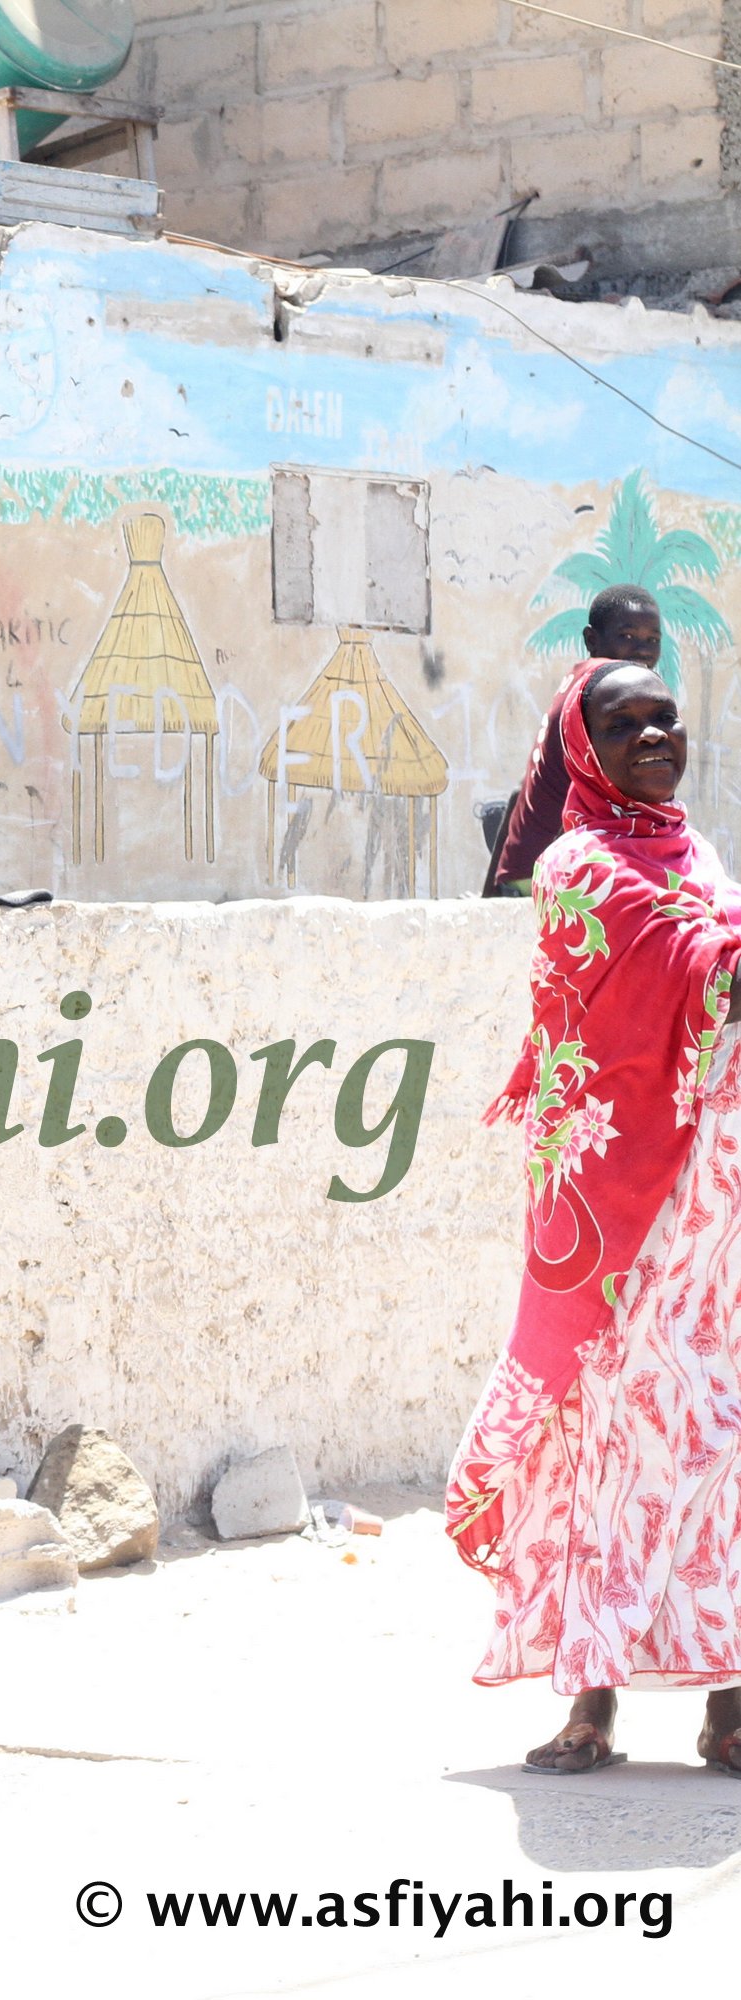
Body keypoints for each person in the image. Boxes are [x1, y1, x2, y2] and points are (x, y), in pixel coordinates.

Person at [455, 659, 741, 1774]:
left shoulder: (698, 855)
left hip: (711, 1211)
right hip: (616, 1218)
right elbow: (662, 989)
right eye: (625, 723)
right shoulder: (575, 866)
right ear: (585, 747)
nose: (655, 735)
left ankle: (729, 1705)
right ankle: (590, 1704)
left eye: (665, 716)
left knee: (715, 1444)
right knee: (602, 1445)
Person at [483, 586, 665, 894]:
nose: (643, 650)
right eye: (628, 636)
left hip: (526, 871)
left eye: (653, 640)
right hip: (554, 877)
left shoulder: (579, 682)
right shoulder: (607, 689)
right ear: (592, 640)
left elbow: (521, 794)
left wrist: (490, 889)